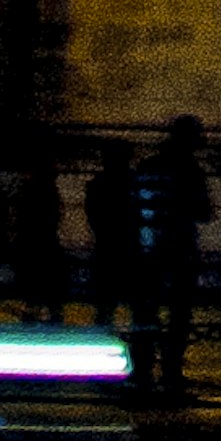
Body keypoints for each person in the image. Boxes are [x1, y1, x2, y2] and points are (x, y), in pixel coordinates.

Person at [139, 115, 214, 396]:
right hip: (179, 248)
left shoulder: (148, 166)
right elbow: (203, 211)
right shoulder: (190, 170)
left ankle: (143, 366)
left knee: (146, 310)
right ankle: (171, 369)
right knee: (179, 313)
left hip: (148, 249)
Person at [82, 140, 144, 343]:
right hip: (131, 250)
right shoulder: (135, 183)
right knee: (138, 308)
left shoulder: (97, 185)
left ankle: (101, 346)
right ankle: (140, 357)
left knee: (105, 307)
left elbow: (94, 217)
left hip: (106, 248)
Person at [6, 148, 69, 321]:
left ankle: (37, 308)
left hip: (33, 241)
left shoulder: (30, 189)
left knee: (35, 278)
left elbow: (19, 217)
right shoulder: (43, 190)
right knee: (45, 278)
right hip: (40, 240)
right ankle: (47, 309)